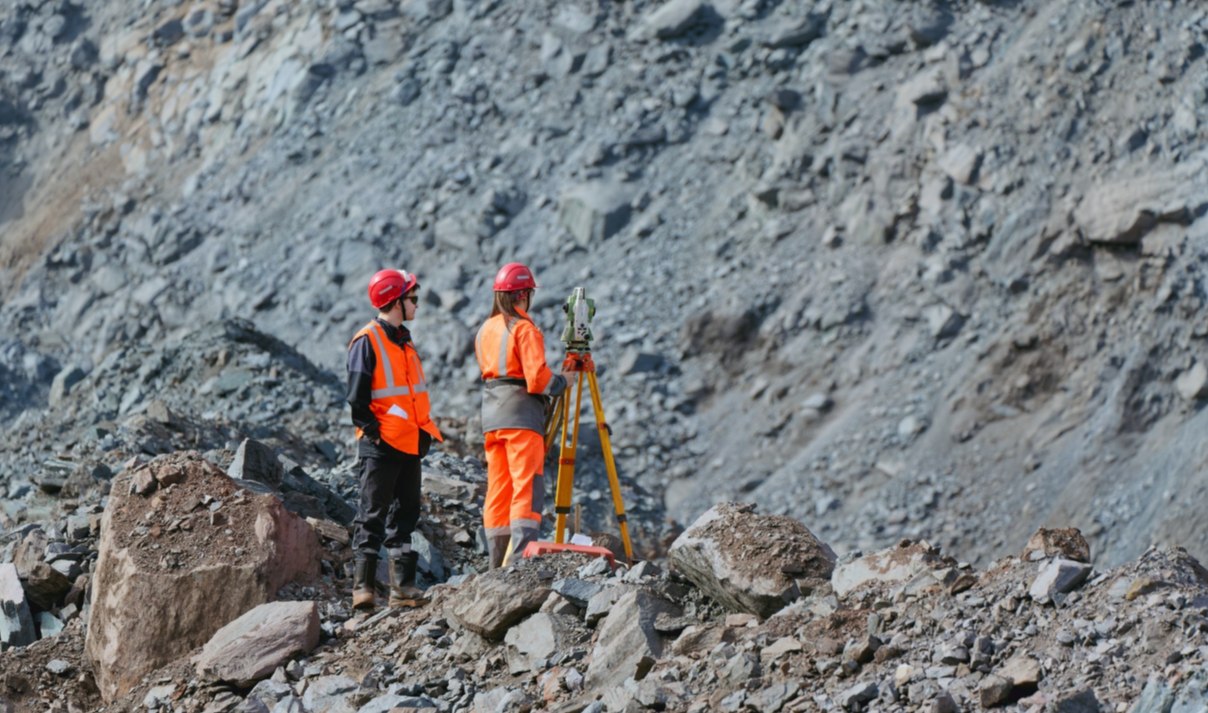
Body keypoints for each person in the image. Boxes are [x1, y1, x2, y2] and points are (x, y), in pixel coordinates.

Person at [346, 268, 443, 610]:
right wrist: (374, 431)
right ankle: (363, 589)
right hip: (381, 444)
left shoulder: (403, 339)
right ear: (395, 301)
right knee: (372, 513)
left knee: (406, 514)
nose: (417, 304)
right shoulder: (368, 340)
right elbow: (357, 398)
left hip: (409, 441)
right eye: (412, 298)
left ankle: (402, 588)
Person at [474, 262, 568, 568]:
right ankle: (521, 558)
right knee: (525, 482)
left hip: (492, 417)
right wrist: (564, 381)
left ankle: (496, 561)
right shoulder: (524, 329)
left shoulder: (486, 329)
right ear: (524, 295)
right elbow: (537, 379)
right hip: (521, 417)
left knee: (499, 488)